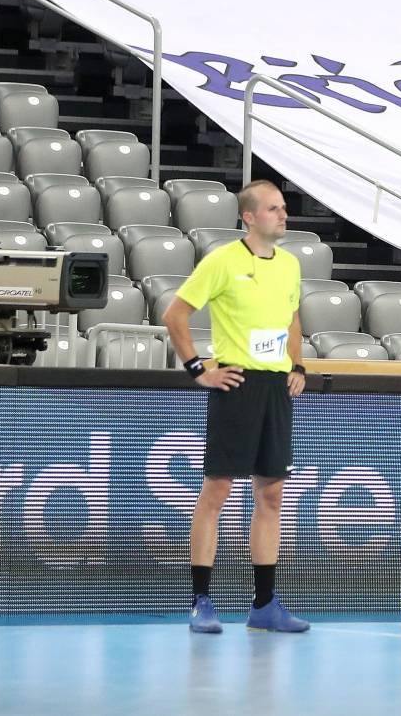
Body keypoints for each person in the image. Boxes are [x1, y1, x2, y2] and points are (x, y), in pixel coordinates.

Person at [164, 179, 309, 635]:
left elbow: (291, 318)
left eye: (284, 208)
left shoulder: (289, 265)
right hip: (237, 384)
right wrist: (197, 370)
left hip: (275, 390)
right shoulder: (223, 261)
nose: (283, 215)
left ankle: (264, 605)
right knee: (217, 493)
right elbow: (175, 314)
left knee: (271, 495)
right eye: (273, 209)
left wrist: (298, 364)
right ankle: (201, 601)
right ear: (248, 217)